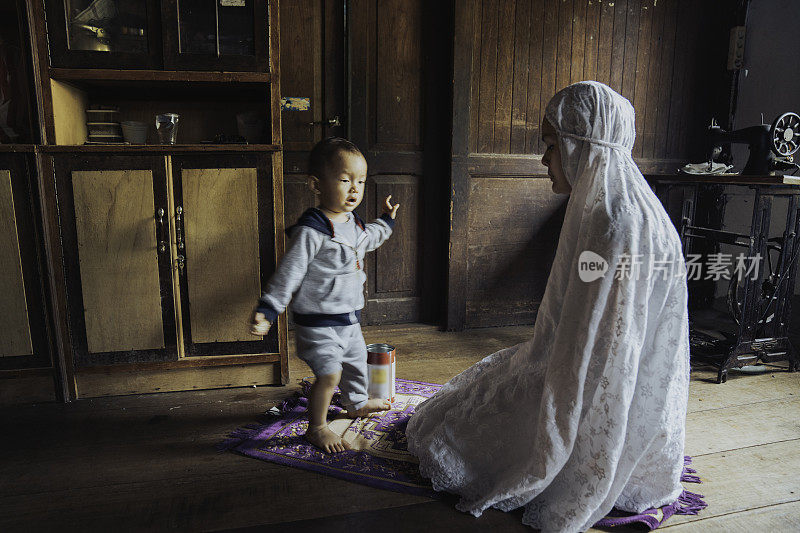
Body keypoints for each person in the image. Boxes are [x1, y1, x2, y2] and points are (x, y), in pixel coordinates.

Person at [405, 81, 690, 532]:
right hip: (639, 401)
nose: (544, 159)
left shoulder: (611, 221)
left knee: (454, 430)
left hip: (596, 385)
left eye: (551, 145)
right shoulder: (637, 208)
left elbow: (584, 350)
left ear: (580, 146)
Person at [250, 137, 400, 453]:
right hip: (317, 324)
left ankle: (356, 403)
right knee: (330, 375)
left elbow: (370, 237)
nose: (354, 189)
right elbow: (290, 271)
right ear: (316, 184)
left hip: (348, 321)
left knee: (358, 365)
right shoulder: (314, 229)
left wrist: (386, 220)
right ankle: (316, 427)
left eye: (360, 181)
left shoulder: (354, 223)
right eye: (345, 180)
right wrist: (269, 307)